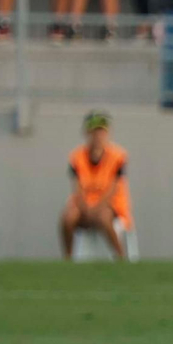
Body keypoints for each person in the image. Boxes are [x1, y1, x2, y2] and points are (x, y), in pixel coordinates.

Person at [62, 110, 133, 261]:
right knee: (68, 217)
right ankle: (68, 260)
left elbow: (114, 188)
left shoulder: (118, 156)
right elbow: (77, 188)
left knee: (103, 217)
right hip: (84, 207)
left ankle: (120, 258)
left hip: (110, 207)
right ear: (87, 133)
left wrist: (96, 208)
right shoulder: (77, 156)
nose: (98, 136)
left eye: (101, 132)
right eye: (94, 132)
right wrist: (86, 208)